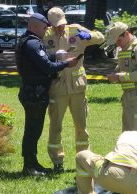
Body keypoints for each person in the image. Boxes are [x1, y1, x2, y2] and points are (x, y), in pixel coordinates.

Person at [15, 13, 78, 177]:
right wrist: (66, 63)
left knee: (34, 130)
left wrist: (55, 55)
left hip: (34, 92)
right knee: (32, 131)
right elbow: (47, 67)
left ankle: (33, 163)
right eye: (44, 27)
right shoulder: (32, 44)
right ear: (34, 27)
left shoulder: (29, 41)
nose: (46, 30)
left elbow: (43, 61)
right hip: (34, 93)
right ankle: (29, 167)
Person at [44, 7, 105, 173]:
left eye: (62, 24)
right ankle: (57, 161)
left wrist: (90, 36)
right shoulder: (46, 35)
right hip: (57, 87)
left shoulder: (76, 30)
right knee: (55, 126)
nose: (60, 27)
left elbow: (101, 38)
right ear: (50, 24)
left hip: (78, 87)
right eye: (56, 25)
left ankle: (84, 159)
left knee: (81, 126)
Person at [105, 22, 137, 133]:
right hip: (128, 97)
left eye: (119, 41)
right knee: (127, 136)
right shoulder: (124, 50)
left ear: (126, 34)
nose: (118, 44)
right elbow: (125, 67)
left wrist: (119, 77)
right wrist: (115, 74)